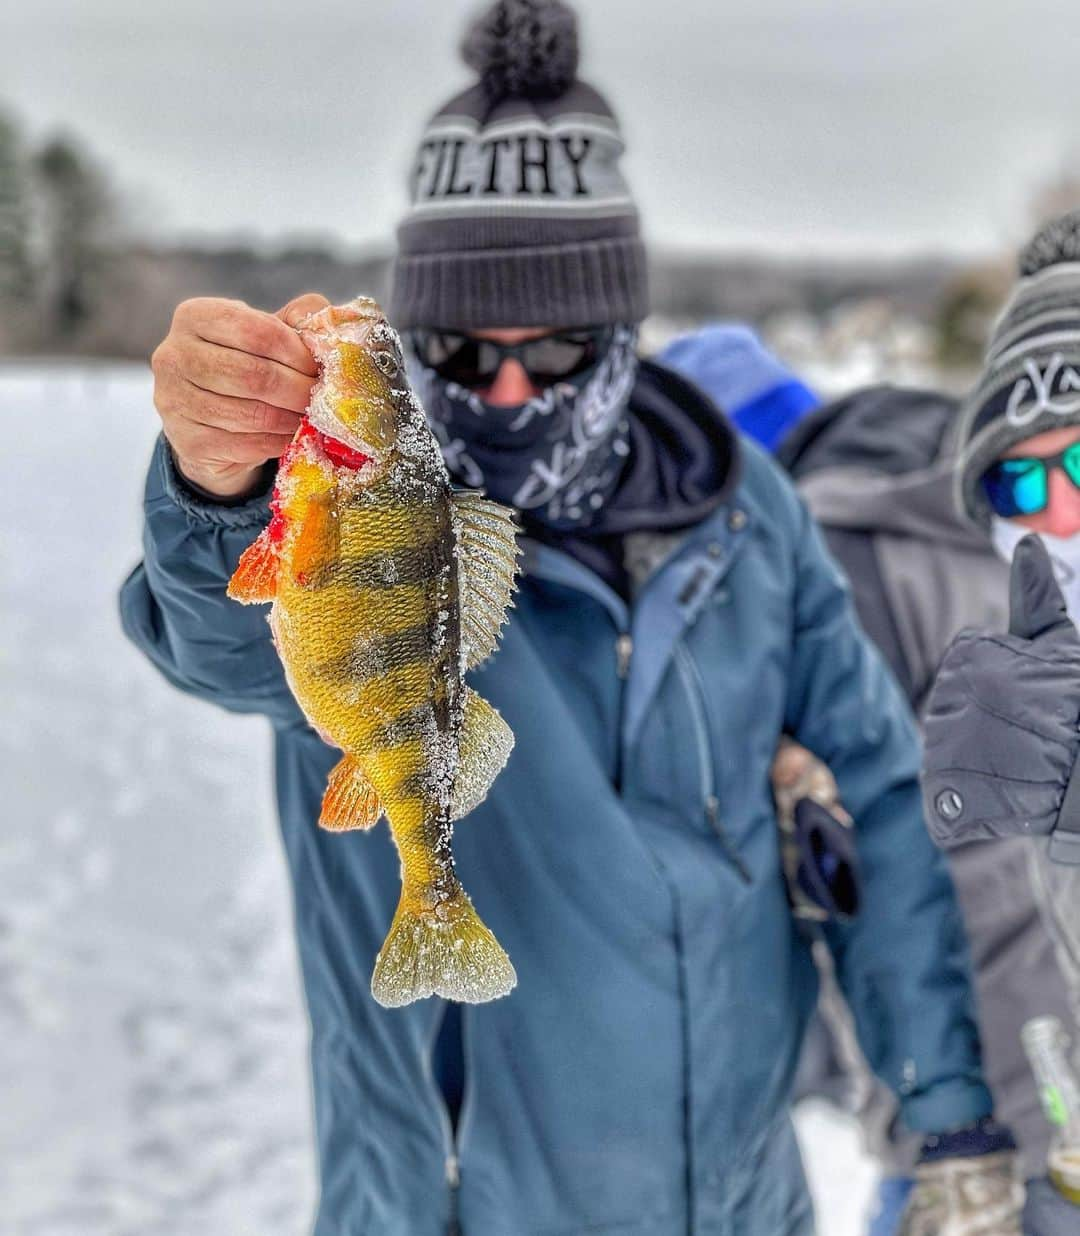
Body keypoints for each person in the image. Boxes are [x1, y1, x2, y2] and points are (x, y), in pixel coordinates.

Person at [119, 4, 1009, 1232]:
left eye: (562, 347)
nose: (512, 387)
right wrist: (217, 494)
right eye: (458, 350)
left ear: (626, 330)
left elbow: (887, 806)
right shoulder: (357, 504)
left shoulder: (753, 519)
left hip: (744, 1205)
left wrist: (947, 1112)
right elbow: (220, 646)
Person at [668, 211, 1080, 1235]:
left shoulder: (815, 566)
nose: (1053, 510)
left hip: (987, 1090)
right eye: (1024, 478)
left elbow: (840, 858)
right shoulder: (956, 494)